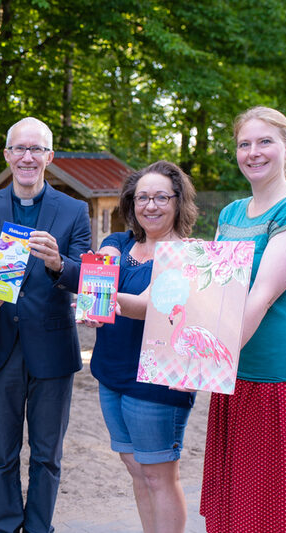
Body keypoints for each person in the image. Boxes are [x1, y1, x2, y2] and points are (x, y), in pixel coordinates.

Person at [200, 106, 286, 532]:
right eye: (244, 144)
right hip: (237, 373)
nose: (253, 152)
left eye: (264, 142)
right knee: (238, 508)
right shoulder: (232, 214)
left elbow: (261, 296)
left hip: (284, 374)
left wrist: (208, 359)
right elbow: (215, 292)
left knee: (280, 511)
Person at [0, 117, 91, 533]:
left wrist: (59, 264)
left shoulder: (74, 210)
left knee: (46, 455)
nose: (27, 157)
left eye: (36, 149)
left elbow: (87, 277)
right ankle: (4, 526)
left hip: (53, 348)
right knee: (2, 452)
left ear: (49, 158)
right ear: (7, 155)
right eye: (19, 149)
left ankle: (39, 527)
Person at [81, 161, 198, 533]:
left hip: (157, 379)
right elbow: (104, 263)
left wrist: (106, 299)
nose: (151, 205)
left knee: (159, 475)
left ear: (178, 202)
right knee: (135, 468)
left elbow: (149, 305)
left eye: (161, 197)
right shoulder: (117, 242)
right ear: (131, 204)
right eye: (142, 197)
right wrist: (95, 291)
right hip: (110, 373)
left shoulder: (187, 256)